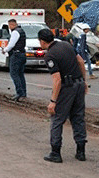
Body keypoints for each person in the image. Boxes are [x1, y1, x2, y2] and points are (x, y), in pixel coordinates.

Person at [37, 29, 88, 163]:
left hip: (67, 87)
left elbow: (57, 80)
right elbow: (81, 62)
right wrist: (84, 81)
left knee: (57, 119)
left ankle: (55, 152)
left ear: (42, 41)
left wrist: (53, 101)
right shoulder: (66, 44)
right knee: (78, 117)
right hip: (79, 84)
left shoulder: (50, 56)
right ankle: (81, 151)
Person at [2, 19, 27, 101]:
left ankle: (19, 93)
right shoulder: (22, 31)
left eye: (9, 25)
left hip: (16, 55)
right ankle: (23, 93)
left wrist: (5, 50)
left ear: (12, 24)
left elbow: (11, 44)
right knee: (20, 74)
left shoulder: (15, 32)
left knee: (14, 74)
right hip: (22, 54)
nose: (9, 27)